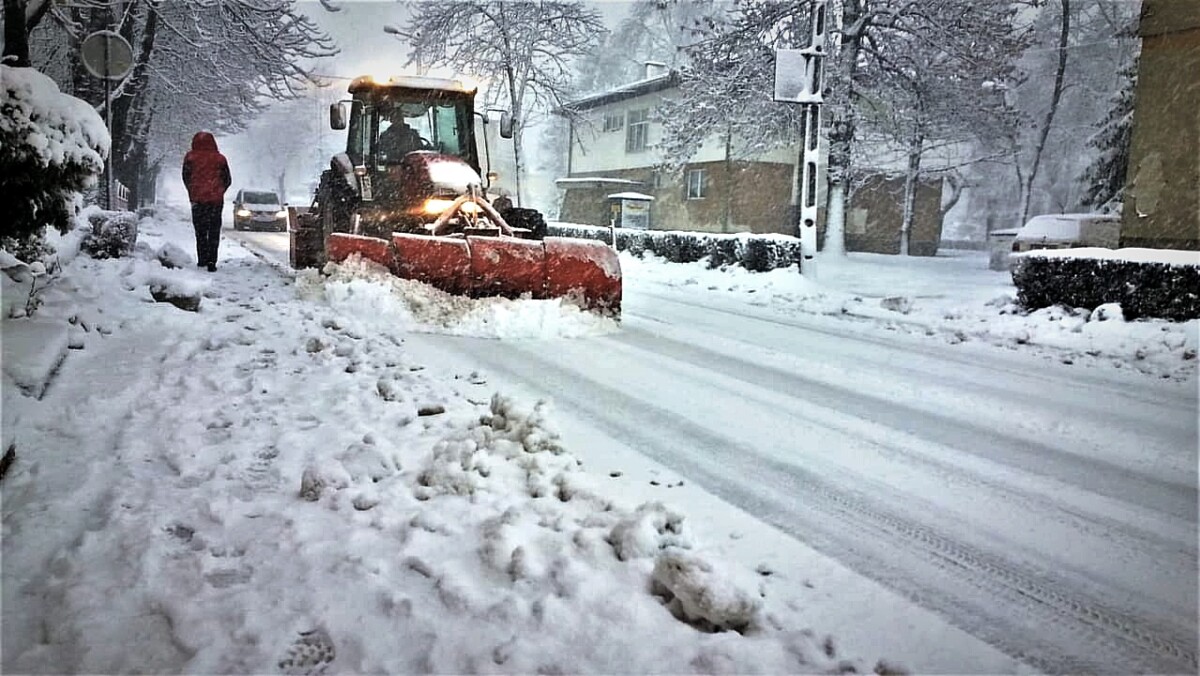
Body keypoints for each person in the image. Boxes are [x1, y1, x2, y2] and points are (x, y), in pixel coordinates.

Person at [182, 131, 231, 272]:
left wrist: (192, 191)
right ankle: (212, 261)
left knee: (200, 231)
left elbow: (186, 177)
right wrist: (219, 191)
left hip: (198, 201)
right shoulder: (220, 159)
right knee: (214, 231)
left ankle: (202, 259)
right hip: (215, 201)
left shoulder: (190, 157)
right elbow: (227, 179)